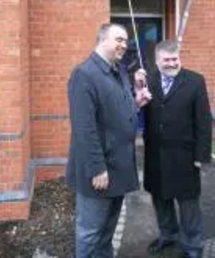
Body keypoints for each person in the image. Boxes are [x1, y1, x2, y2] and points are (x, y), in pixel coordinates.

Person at [65, 23, 151, 258]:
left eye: (126, 40)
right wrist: (97, 169)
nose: (124, 45)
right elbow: (84, 129)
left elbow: (119, 111)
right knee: (90, 233)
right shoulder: (84, 74)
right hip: (99, 172)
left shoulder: (119, 71)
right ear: (102, 40)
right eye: (118, 39)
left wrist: (136, 102)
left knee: (106, 233)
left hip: (119, 168)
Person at [136, 40, 212, 258]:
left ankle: (193, 245)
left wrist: (202, 155)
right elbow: (135, 109)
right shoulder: (147, 80)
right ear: (157, 60)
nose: (171, 63)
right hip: (155, 156)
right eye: (166, 60)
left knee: (188, 203)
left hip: (185, 156)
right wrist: (137, 87)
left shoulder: (195, 81)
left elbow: (203, 120)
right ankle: (168, 235)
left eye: (175, 58)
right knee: (160, 199)